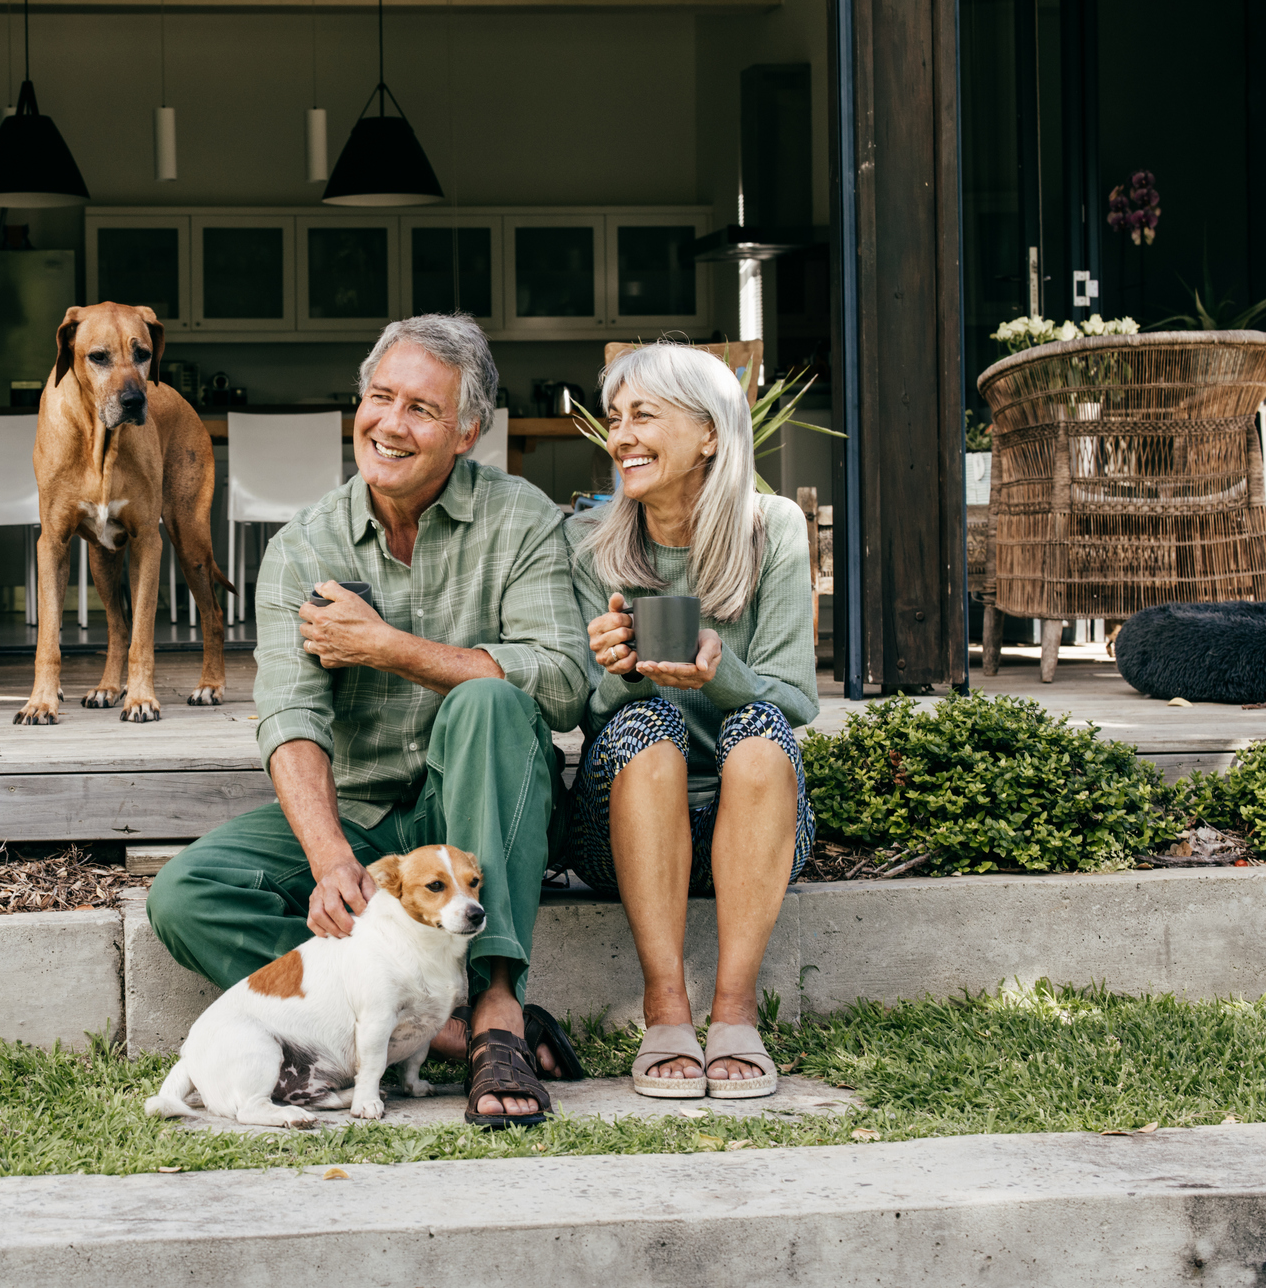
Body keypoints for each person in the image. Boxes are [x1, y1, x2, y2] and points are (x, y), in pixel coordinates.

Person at [148, 313, 592, 1127]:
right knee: (188, 893)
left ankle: (497, 1009)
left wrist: (387, 647)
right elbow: (289, 714)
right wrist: (327, 858)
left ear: (466, 432)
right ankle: (437, 1032)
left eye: (420, 409)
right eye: (379, 398)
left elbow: (563, 682)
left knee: (490, 700)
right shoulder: (305, 545)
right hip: (359, 815)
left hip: (474, 813)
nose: (390, 423)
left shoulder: (520, 518)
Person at [563, 342, 818, 1099]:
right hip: (624, 832)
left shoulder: (772, 528)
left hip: (755, 829)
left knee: (761, 735)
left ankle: (735, 1011)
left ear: (711, 432)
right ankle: (665, 1006)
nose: (622, 436)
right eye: (615, 419)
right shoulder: (590, 545)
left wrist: (719, 670)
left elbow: (797, 699)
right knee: (648, 732)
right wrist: (614, 676)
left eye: (645, 414)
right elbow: (576, 710)